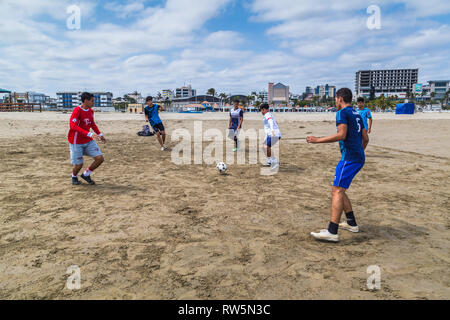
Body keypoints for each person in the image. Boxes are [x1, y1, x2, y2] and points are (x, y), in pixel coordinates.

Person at [307, 88, 369, 243]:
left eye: (336, 99)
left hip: (349, 158)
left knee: (337, 190)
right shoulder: (356, 114)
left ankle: (332, 231)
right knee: (340, 189)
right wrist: (359, 151)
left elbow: (341, 135)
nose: (335, 101)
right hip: (358, 156)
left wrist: (317, 140)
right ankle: (351, 223)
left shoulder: (342, 113)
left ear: (340, 98)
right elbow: (365, 138)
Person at [68, 92, 106, 185]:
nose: (94, 103)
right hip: (76, 142)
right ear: (85, 101)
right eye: (92, 101)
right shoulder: (77, 110)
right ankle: (74, 176)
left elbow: (92, 123)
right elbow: (73, 126)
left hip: (88, 141)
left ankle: (86, 174)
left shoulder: (90, 111)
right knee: (79, 165)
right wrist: (89, 134)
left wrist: (100, 134)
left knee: (100, 158)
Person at [260, 104, 282, 169]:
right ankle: (270, 161)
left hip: (273, 134)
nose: (261, 112)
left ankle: (274, 162)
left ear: (264, 109)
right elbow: (275, 122)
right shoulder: (270, 114)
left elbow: (270, 121)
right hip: (270, 134)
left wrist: (272, 130)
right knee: (264, 147)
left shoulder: (267, 115)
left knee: (266, 147)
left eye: (262, 110)